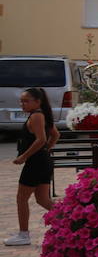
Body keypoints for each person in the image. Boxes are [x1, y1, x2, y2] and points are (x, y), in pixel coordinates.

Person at [3, 88, 59, 246]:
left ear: (37, 102)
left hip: (35, 163)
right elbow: (55, 135)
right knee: (42, 199)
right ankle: (67, 220)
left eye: (26, 101)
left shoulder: (36, 116)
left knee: (21, 198)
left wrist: (24, 156)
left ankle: (23, 234)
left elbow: (40, 139)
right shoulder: (42, 115)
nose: (23, 104)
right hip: (43, 161)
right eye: (21, 101)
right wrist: (47, 150)